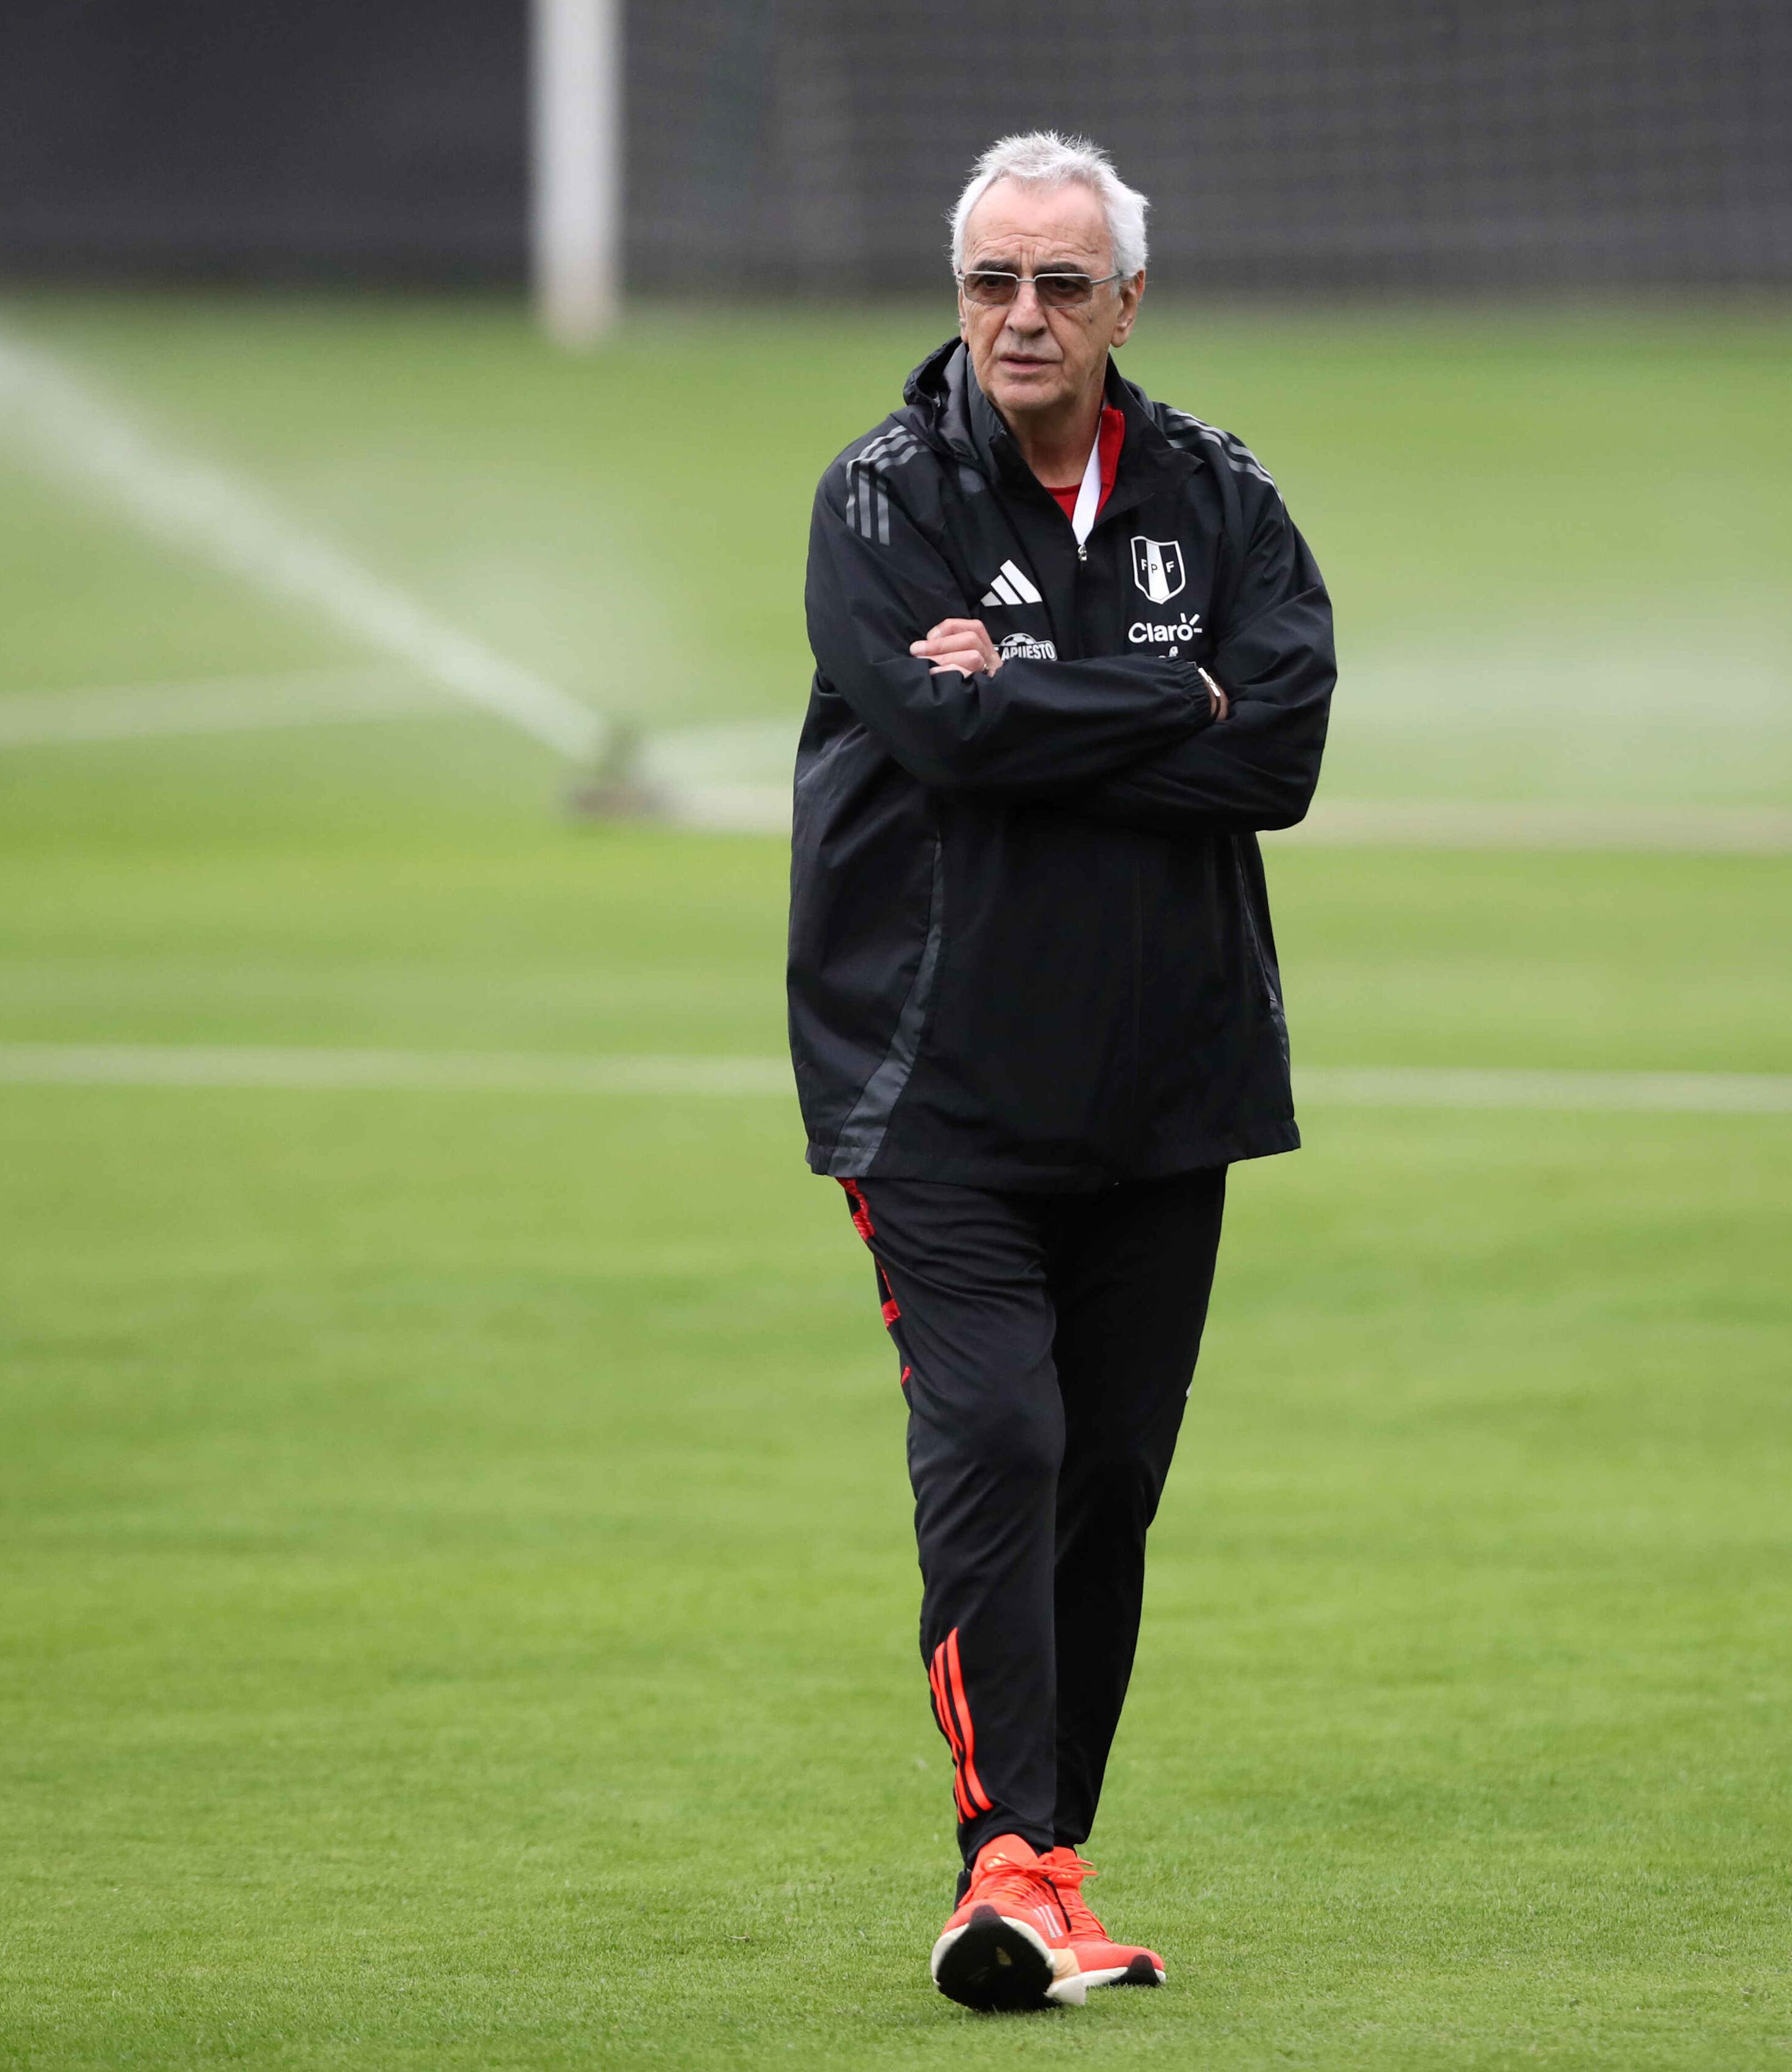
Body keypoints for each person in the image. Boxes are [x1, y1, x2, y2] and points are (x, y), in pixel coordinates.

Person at [788, 131, 1335, 2012]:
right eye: (992, 283)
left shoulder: (1217, 490)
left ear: (1127, 303)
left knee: (1107, 1477)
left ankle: (1046, 1862)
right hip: (931, 1088)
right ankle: (1000, 1857)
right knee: (1002, 1436)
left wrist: (1045, 704)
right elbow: (942, 730)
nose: (1023, 316)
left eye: (1061, 285)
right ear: (959, 296)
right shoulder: (881, 497)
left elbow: (1283, 756)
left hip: (1164, 1085)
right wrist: (1167, 694)